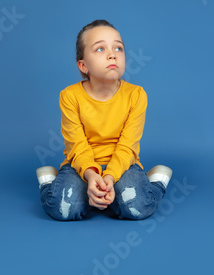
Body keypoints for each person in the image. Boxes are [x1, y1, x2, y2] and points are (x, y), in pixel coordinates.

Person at [36, 19, 172, 221]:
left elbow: (128, 145)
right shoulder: (69, 96)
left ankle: (156, 182)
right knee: (64, 209)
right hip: (81, 164)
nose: (112, 54)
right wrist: (92, 176)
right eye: (100, 49)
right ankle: (48, 182)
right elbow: (77, 145)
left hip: (123, 163)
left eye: (119, 48)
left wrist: (109, 177)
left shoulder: (136, 95)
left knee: (137, 207)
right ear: (83, 65)